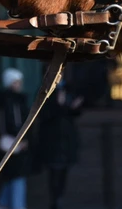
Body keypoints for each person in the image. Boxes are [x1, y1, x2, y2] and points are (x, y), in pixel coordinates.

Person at [36, 81, 83, 209]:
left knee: (62, 175)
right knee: (54, 176)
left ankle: (59, 201)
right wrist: (58, 105)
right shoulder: (45, 92)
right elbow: (45, 115)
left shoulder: (68, 90)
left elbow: (73, 112)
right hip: (53, 142)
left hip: (66, 143)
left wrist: (72, 106)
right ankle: (55, 202)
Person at [0, 67, 31, 209]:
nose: (19, 84)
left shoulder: (15, 101)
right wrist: (20, 141)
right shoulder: (10, 102)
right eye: (16, 82)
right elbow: (12, 124)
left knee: (11, 182)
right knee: (16, 181)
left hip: (15, 147)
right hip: (14, 147)